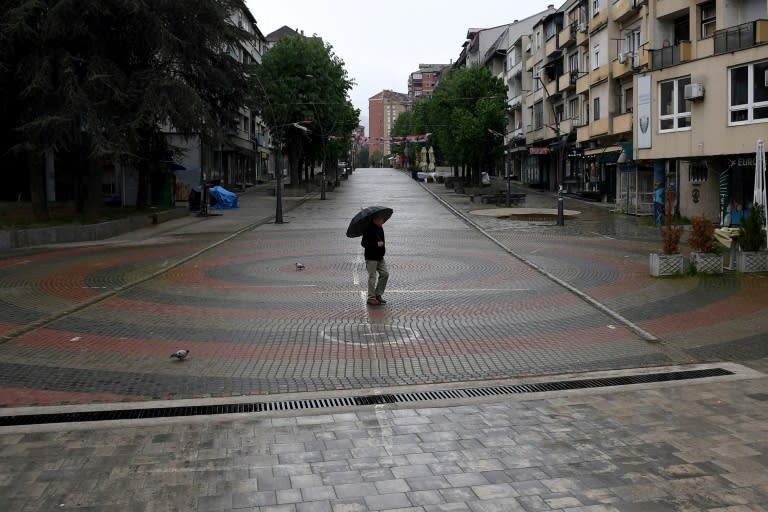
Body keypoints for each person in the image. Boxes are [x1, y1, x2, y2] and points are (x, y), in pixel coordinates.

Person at [361, 213, 389, 305]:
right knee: (372, 277)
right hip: (371, 257)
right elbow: (364, 243)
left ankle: (378, 294)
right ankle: (371, 298)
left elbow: (382, 241)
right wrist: (375, 244)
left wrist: (382, 250)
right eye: (381, 219)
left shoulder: (380, 228)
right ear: (375, 220)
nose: (383, 221)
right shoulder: (368, 229)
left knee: (385, 274)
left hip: (380, 256)